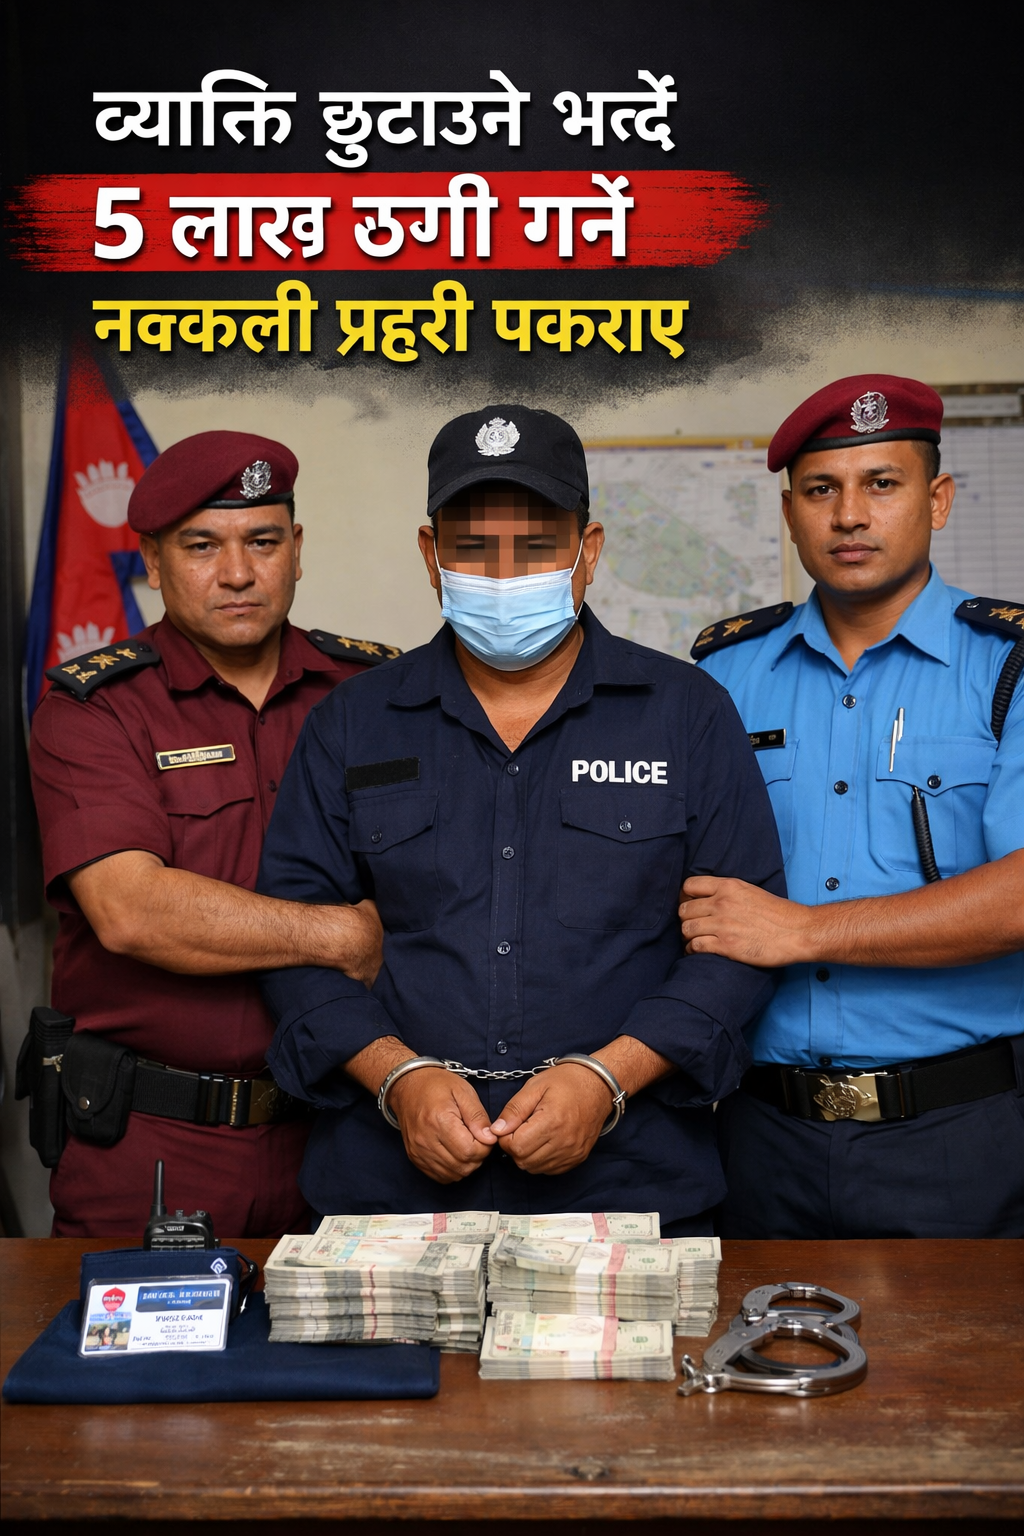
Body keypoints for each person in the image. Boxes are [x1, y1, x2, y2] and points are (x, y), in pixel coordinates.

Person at [257, 405, 785, 1232]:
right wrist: (396, 1077)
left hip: (632, 1184)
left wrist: (608, 1079)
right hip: (389, 1193)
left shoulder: (687, 713)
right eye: (473, 547)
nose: (504, 577)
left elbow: (738, 948)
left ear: (588, 550)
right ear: (431, 554)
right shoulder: (353, 723)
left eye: (537, 546)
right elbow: (293, 942)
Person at [30, 430, 397, 1238]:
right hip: (152, 1140)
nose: (237, 573)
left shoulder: (377, 694)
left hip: (346, 1128)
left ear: (297, 549)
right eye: (202, 546)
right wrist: (341, 935)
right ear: (153, 563)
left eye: (263, 541)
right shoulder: (96, 710)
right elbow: (130, 909)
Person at [683, 374, 1024, 1238]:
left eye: (882, 484)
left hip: (959, 1132)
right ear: (790, 512)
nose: (849, 516)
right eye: (820, 491)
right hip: (757, 1132)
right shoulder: (723, 675)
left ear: (938, 500)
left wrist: (804, 932)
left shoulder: (1008, 668)